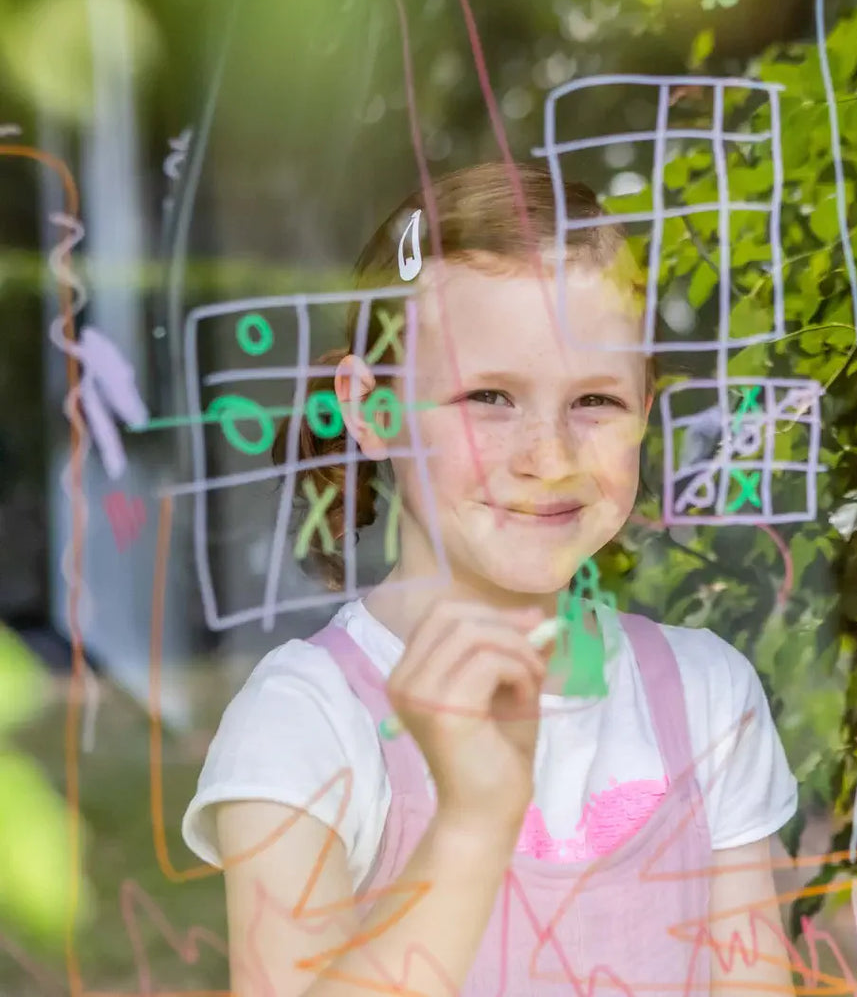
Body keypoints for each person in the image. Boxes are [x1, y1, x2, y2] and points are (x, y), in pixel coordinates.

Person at [182, 162, 800, 997]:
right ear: (372, 409)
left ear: (646, 412)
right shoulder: (308, 724)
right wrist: (471, 826)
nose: (547, 458)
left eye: (595, 402)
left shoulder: (706, 698)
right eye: (489, 397)